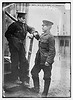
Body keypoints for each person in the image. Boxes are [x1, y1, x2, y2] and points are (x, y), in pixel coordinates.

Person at [5, 12, 36, 85]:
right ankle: (15, 78)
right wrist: (14, 41)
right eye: (22, 18)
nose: (24, 19)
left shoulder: (25, 25)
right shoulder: (14, 25)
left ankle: (23, 79)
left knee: (24, 62)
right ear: (18, 18)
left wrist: (32, 33)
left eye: (24, 18)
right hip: (14, 46)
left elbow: (31, 29)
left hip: (21, 46)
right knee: (15, 62)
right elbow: (7, 34)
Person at [31, 20, 56, 97]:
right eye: (42, 25)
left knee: (46, 77)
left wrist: (48, 61)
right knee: (34, 72)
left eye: (44, 26)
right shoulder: (43, 35)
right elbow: (40, 39)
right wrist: (34, 35)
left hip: (45, 60)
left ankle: (45, 93)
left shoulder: (51, 37)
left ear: (49, 27)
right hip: (39, 59)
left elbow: (52, 51)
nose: (42, 27)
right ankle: (36, 89)